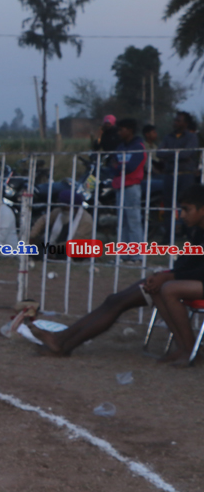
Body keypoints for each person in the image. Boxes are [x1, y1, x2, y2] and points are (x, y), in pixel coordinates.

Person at [30, 184, 204, 360]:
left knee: (164, 288)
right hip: (188, 280)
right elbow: (188, 261)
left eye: (186, 210)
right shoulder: (198, 230)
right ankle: (62, 341)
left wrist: (170, 276)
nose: (182, 215)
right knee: (118, 299)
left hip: (194, 282)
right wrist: (164, 275)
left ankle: (188, 349)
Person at [112, 117, 146, 264]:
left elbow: (131, 167)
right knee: (122, 222)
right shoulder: (120, 147)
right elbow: (113, 164)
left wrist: (119, 166)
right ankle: (124, 255)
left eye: (121, 129)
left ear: (130, 130)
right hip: (119, 185)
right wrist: (120, 167)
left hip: (132, 186)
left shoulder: (138, 147)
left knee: (133, 221)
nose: (119, 132)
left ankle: (137, 256)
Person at [158, 110, 200, 213]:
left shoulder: (192, 137)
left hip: (185, 175)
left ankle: (184, 224)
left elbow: (185, 154)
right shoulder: (168, 137)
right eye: (175, 120)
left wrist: (169, 154)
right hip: (169, 174)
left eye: (178, 121)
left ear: (185, 123)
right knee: (168, 205)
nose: (175, 122)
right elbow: (159, 153)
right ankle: (169, 224)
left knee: (185, 204)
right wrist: (176, 153)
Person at [29, 189, 93, 250]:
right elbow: (43, 220)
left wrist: (54, 249)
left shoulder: (86, 220)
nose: (62, 208)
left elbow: (76, 242)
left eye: (65, 207)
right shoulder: (59, 211)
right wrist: (32, 236)